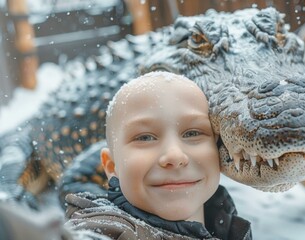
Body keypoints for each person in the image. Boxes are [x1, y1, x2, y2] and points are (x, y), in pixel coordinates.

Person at [65, 71, 252, 240]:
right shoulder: (105, 230)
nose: (174, 155)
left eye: (192, 133)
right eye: (145, 137)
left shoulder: (226, 224)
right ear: (112, 166)